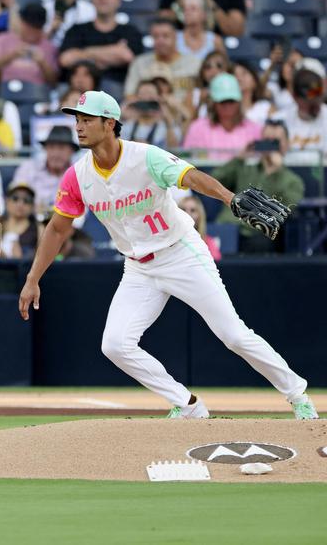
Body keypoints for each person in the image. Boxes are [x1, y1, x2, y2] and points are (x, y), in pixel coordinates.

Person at [19, 90, 319, 420]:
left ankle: (298, 395)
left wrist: (228, 197)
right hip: (138, 268)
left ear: (110, 124)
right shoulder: (77, 176)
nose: (79, 126)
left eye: (87, 119)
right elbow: (58, 229)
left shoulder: (145, 157)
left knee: (233, 334)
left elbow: (190, 176)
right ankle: (187, 404)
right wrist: (33, 278)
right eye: (77, 119)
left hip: (180, 253)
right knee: (115, 345)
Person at [211, 121, 304, 254]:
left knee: (261, 243)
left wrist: (275, 173)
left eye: (275, 141)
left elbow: (284, 211)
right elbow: (214, 181)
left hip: (257, 234)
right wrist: (239, 158)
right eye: (266, 140)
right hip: (228, 227)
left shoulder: (293, 181)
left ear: (286, 145)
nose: (270, 146)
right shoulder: (245, 168)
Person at [59, 0, 142, 92]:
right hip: (78, 91)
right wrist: (113, 51)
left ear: (118, 0)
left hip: (118, 89)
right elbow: (66, 59)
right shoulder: (77, 29)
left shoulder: (130, 31)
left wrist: (83, 53)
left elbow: (127, 57)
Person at [183, 73, 263, 158]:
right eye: (223, 101)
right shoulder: (197, 128)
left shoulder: (254, 129)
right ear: (213, 102)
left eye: (231, 100)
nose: (227, 105)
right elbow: (189, 161)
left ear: (239, 101)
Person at [124, 17, 201, 105]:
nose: (160, 41)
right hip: (151, 114)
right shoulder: (139, 63)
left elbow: (202, 94)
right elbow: (129, 96)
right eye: (156, 36)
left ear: (175, 37)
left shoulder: (194, 63)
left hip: (185, 114)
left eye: (165, 36)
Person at [11, 125, 78, 214]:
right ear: (45, 149)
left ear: (71, 151)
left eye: (61, 148)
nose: (56, 154)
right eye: (51, 147)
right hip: (29, 221)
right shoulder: (28, 168)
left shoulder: (79, 175)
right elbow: (15, 199)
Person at [0, 2, 58, 86]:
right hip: (3, 88)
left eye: (36, 28)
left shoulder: (49, 47)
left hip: (37, 93)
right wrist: (12, 55)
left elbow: (54, 81)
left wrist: (42, 63)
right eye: (29, 26)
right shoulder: (2, 39)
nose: (32, 31)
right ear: (21, 22)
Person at [276, 67, 327, 153]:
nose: (315, 105)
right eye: (309, 102)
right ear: (295, 97)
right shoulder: (278, 120)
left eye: (317, 99)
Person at [0, 182, 41, 258]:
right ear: (7, 201)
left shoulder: (38, 229)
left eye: (26, 200)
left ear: (32, 206)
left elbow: (41, 257)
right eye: (15, 198)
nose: (20, 204)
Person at [178, 195, 221, 261]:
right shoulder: (170, 241)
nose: (187, 214)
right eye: (183, 209)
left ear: (200, 215)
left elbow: (218, 265)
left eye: (193, 210)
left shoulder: (209, 242)